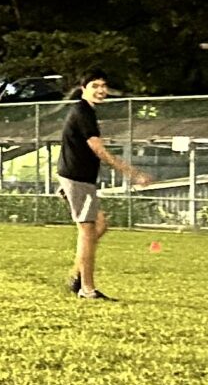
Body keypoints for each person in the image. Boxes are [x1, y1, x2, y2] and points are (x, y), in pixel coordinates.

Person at [56, 72, 156, 300]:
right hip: (77, 178)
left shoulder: (86, 111)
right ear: (83, 88)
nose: (101, 90)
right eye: (95, 86)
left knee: (99, 225)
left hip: (79, 178)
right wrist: (132, 173)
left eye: (103, 86)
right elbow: (98, 149)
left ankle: (77, 275)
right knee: (87, 231)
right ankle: (86, 289)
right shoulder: (82, 111)